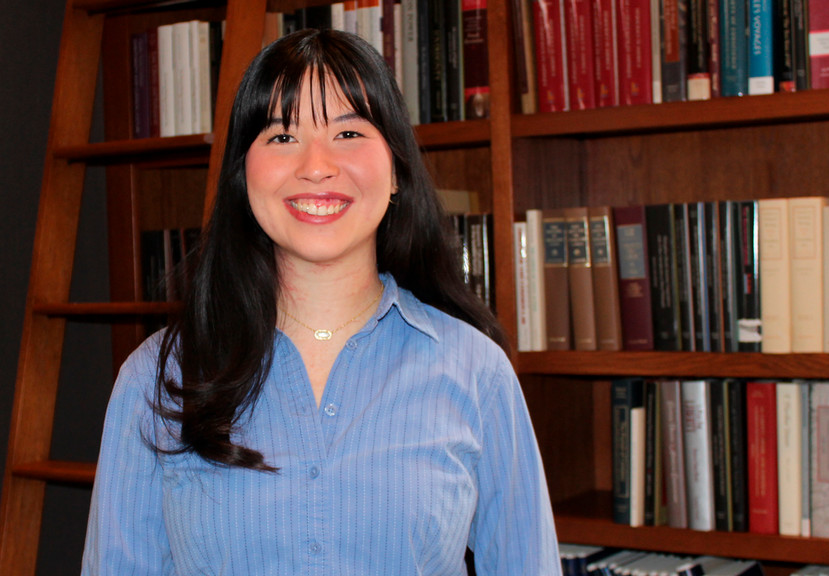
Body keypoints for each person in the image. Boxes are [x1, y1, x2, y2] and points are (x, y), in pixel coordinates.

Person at [82, 28, 559, 575]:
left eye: (349, 132)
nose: (316, 165)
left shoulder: (477, 373)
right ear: (242, 174)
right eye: (282, 136)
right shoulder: (157, 378)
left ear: (397, 170)